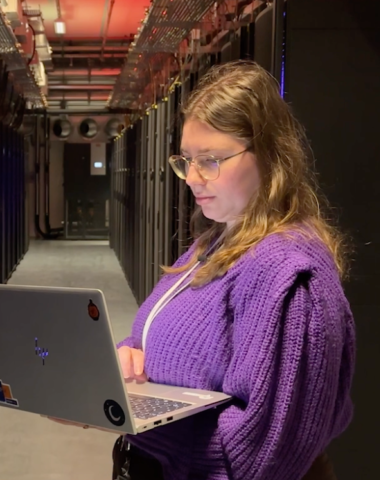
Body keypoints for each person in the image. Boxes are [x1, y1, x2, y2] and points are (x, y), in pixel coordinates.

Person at [50, 60, 356, 480]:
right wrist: (126, 359)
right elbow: (153, 332)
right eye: (186, 160)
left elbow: (260, 459)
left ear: (268, 155)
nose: (191, 178)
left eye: (210, 160)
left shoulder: (290, 276)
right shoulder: (212, 243)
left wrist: (146, 429)